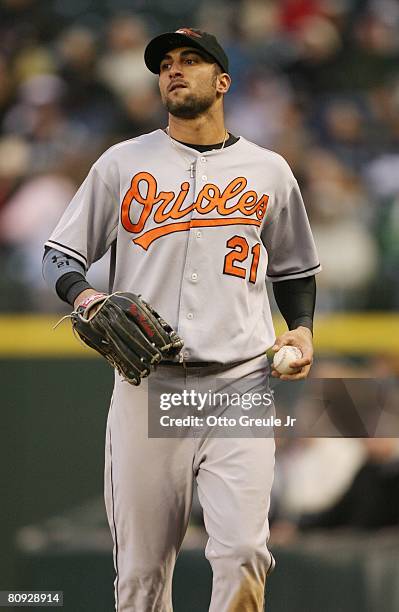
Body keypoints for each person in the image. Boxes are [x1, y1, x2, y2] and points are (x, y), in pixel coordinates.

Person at [43, 27, 320, 612]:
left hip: (240, 382)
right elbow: (58, 256)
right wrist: (86, 299)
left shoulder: (268, 169)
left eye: (190, 60)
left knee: (245, 551)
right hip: (151, 384)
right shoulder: (123, 163)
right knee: (142, 574)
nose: (174, 70)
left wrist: (302, 327)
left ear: (222, 81)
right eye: (165, 63)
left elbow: (295, 268)